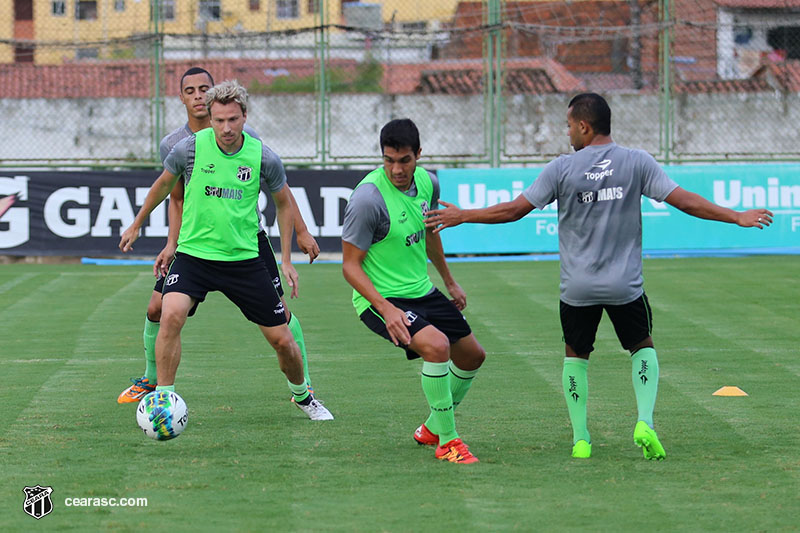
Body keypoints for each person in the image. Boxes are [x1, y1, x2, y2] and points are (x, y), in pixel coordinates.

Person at [426, 93, 773, 460]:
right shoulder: (637, 162)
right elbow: (684, 200)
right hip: (625, 285)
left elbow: (513, 211)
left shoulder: (561, 168)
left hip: (578, 287)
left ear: (584, 126)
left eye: (569, 126)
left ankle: (581, 438)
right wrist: (735, 216)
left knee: (576, 355)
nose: (568, 133)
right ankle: (644, 423)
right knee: (642, 346)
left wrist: (465, 215)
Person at [119, 79, 332, 420]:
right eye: (219, 120)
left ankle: (303, 395)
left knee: (282, 341)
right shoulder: (188, 149)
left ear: (244, 117)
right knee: (169, 314)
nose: (226, 127)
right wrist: (138, 222)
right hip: (194, 256)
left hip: (243, 261)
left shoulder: (263, 156)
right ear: (211, 117)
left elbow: (284, 203)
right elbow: (163, 186)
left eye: (233, 119)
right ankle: (163, 398)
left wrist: (287, 259)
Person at [341, 118, 486, 463]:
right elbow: (349, 266)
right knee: (436, 347)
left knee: (472, 356)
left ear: (419, 155)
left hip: (421, 290)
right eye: (389, 160)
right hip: (380, 299)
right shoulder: (367, 200)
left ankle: (434, 425)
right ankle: (448, 441)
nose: (396, 169)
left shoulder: (428, 183)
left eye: (404, 160)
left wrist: (449, 280)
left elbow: (431, 231)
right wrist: (386, 309)